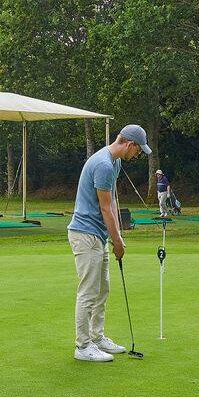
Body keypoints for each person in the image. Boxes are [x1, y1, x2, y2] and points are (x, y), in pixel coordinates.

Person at [67, 124, 151, 362]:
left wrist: (118, 237)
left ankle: (97, 337)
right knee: (88, 292)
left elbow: (112, 201)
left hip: (98, 235)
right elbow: (104, 208)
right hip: (85, 235)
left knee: (102, 289)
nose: (137, 155)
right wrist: (116, 242)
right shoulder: (103, 164)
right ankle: (82, 347)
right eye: (138, 150)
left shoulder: (115, 162)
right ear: (129, 144)